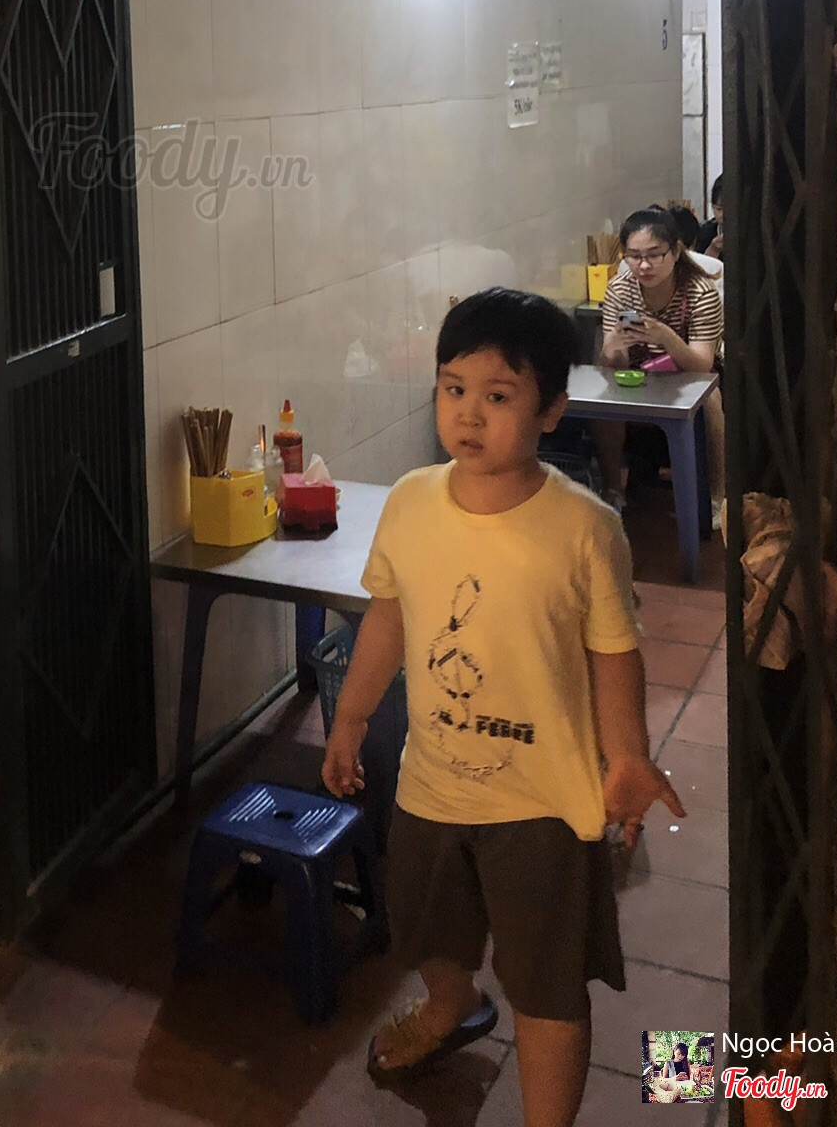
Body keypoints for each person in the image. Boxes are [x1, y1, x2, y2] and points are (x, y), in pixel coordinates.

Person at [322, 290, 683, 1127]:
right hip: (433, 786)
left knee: (547, 984)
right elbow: (388, 618)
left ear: (551, 408)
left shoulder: (586, 528)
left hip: (543, 802)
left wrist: (627, 757)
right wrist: (350, 719)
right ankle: (453, 1006)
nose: (469, 414)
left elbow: (614, 653)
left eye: (497, 395)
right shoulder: (410, 502)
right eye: (453, 389)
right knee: (426, 930)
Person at [596, 207, 725, 511]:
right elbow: (611, 366)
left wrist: (666, 337)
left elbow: (702, 366)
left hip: (691, 375)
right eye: (634, 256)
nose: (644, 265)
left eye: (655, 255)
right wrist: (613, 347)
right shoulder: (619, 289)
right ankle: (613, 490)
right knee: (604, 403)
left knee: (711, 401)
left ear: (676, 251)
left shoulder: (701, 292)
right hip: (639, 373)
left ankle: (717, 496)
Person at [695, 175, 724, 260]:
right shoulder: (705, 232)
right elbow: (698, 266)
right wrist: (713, 249)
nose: (724, 215)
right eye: (719, 209)